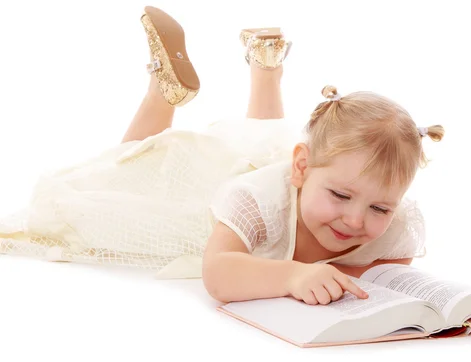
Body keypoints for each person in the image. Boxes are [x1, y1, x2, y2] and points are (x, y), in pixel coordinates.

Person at [0, 6, 444, 306]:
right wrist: (292, 277)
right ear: (302, 170)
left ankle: (266, 66)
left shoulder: (392, 220)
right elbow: (218, 272)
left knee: (266, 134)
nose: (355, 221)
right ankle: (163, 92)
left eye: (380, 206)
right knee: (133, 168)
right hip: (209, 189)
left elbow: (383, 275)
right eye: (341, 196)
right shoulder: (254, 202)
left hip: (273, 153)